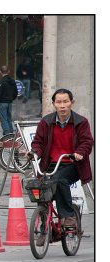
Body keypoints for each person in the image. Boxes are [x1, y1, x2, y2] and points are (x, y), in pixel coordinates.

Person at [27, 89, 93, 241]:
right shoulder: (46, 122)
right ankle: (47, 228)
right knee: (41, 189)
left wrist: (80, 153)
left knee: (60, 180)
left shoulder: (81, 122)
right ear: (53, 104)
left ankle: (69, 216)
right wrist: (34, 152)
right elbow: (38, 142)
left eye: (65, 102)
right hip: (50, 165)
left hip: (73, 165)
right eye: (59, 102)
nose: (62, 105)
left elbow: (87, 142)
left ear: (72, 103)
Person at [0, 66, 18, 136]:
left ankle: (8, 136)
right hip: (9, 102)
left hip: (1, 103)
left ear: (0, 72)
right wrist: (11, 99)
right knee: (9, 119)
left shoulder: (0, 82)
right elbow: (16, 92)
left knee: (3, 120)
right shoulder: (12, 81)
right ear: (9, 71)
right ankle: (11, 133)